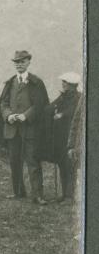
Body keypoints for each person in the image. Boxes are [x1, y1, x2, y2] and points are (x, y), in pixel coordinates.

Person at [0, 50, 49, 204]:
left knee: (32, 161)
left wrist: (25, 116)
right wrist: (8, 115)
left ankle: (37, 195)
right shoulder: (10, 83)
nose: (19, 64)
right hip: (12, 129)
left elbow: (40, 104)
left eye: (22, 61)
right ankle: (19, 192)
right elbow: (4, 103)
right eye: (16, 62)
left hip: (30, 129)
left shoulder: (36, 82)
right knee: (14, 162)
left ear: (29, 62)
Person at [45, 72, 81, 202]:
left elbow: (72, 112)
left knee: (69, 166)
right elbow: (50, 107)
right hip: (60, 138)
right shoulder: (62, 97)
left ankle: (69, 196)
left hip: (71, 137)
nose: (63, 84)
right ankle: (65, 194)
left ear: (72, 85)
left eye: (65, 82)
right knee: (62, 164)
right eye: (63, 82)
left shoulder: (78, 97)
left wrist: (61, 115)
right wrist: (47, 110)